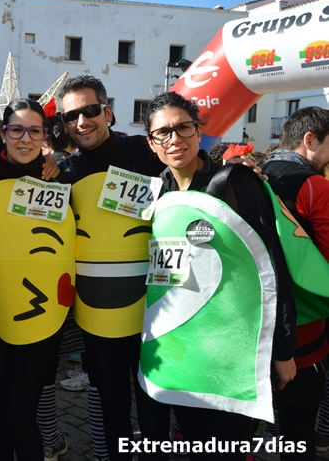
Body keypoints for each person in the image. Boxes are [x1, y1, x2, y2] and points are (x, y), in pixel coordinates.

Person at [138, 92, 296, 459]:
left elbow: (270, 263)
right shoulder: (155, 192)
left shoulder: (235, 183)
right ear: (151, 143)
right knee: (193, 443)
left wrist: (283, 350)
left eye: (183, 128)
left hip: (233, 352)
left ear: (199, 132)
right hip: (185, 353)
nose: (174, 139)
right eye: (163, 133)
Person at [55, 75, 170, 461]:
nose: (82, 121)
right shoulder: (64, 173)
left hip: (155, 306)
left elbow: (190, 173)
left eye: (90, 110)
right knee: (111, 400)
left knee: (155, 397)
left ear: (108, 112)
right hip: (99, 312)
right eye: (72, 116)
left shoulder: (145, 152)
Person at [0, 98, 74, 460]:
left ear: (44, 137)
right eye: (16, 130)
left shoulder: (59, 180)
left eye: (34, 131)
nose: (24, 139)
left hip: (41, 314)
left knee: (19, 412)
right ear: (3, 133)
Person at [261, 106, 329, 460]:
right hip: (306, 333)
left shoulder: (257, 176)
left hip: (260, 326)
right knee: (299, 434)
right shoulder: (316, 187)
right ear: (310, 140)